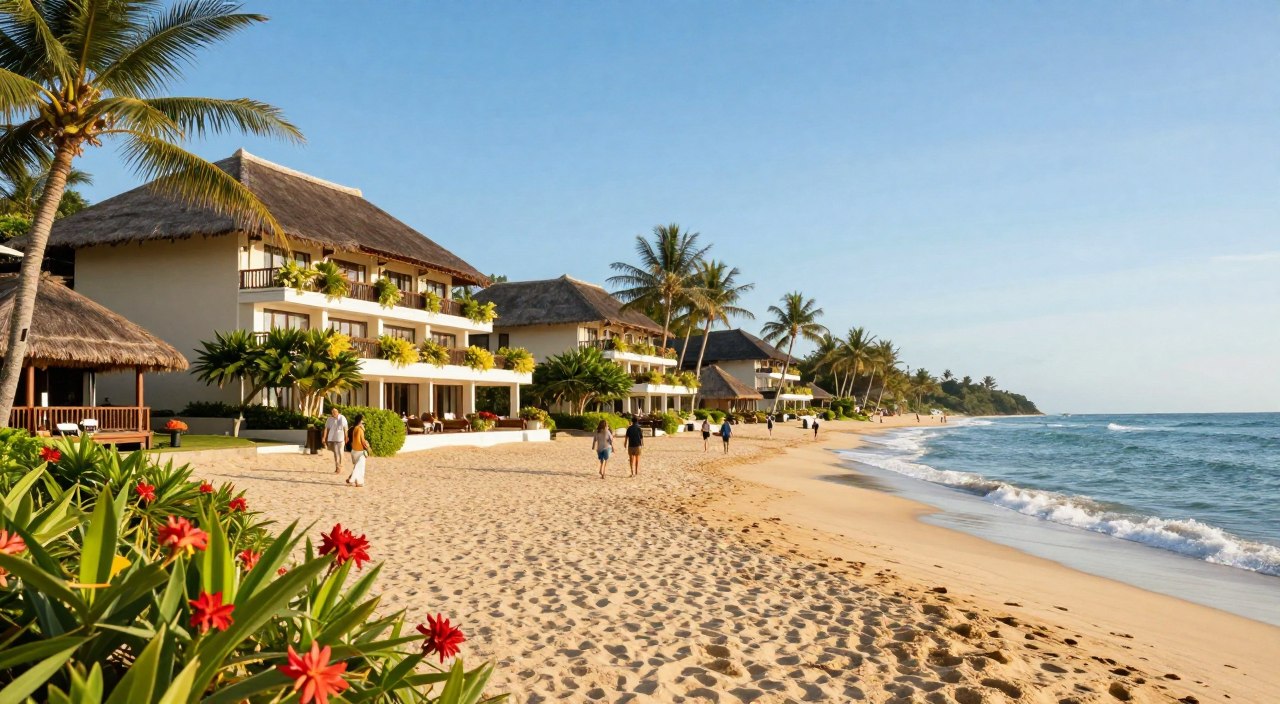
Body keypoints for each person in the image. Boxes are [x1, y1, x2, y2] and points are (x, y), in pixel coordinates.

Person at [324, 407, 348, 473]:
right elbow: (326, 428)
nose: (334, 413)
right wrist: (324, 437)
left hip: (341, 438)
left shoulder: (342, 418)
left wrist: (346, 437)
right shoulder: (330, 419)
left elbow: (345, 428)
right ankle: (337, 467)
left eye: (335, 412)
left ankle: (341, 466)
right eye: (333, 412)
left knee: (341, 452)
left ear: (338, 412)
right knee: (336, 453)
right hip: (333, 438)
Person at [346, 415, 368, 487]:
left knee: (357, 466)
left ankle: (358, 481)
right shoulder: (360, 429)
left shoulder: (353, 428)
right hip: (360, 450)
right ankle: (353, 480)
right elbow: (362, 440)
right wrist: (367, 446)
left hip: (353, 450)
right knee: (360, 467)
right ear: (360, 420)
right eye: (362, 420)